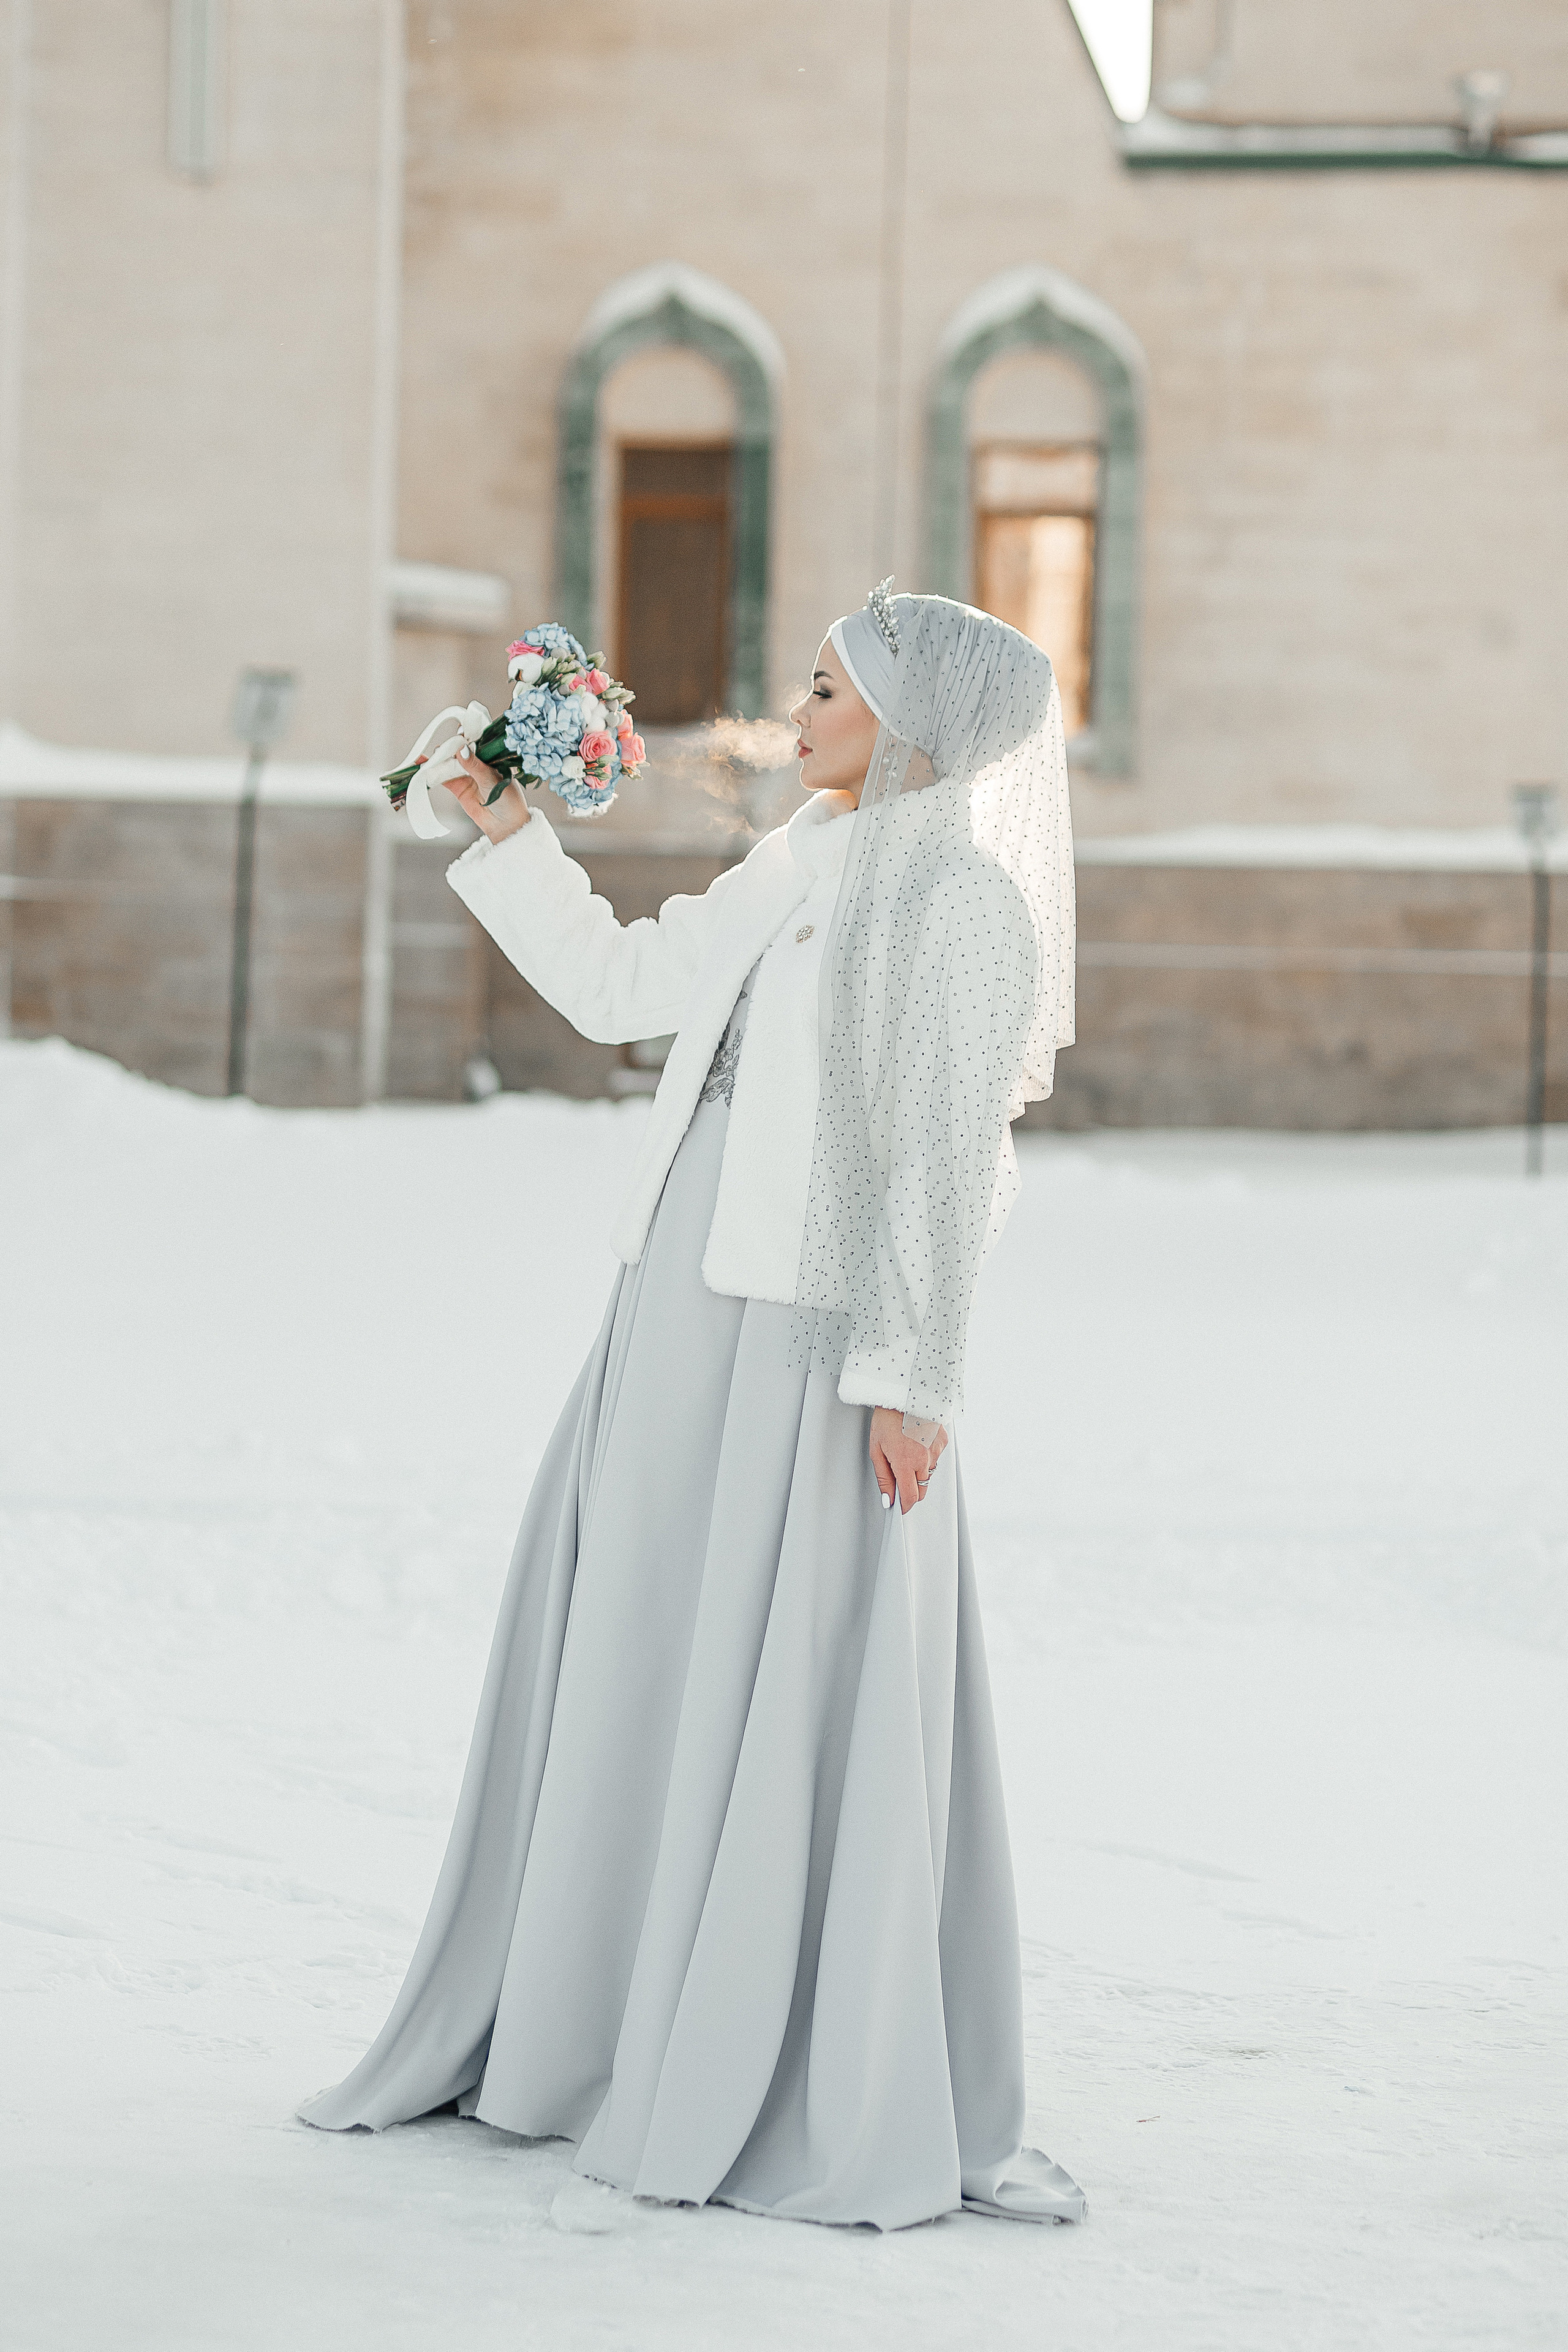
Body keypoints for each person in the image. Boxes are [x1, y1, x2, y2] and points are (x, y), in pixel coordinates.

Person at [298, 586, 1084, 2231]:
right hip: (674, 1305)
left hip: (811, 1345)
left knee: (778, 1665)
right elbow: (621, 985)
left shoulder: (962, 909)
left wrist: (912, 1382)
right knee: (643, 1638)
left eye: (830, 689)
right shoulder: (798, 858)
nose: (799, 711)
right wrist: (509, 832)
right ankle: (599, 2017)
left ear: (917, 725)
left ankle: (763, 2053)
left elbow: (944, 1169)